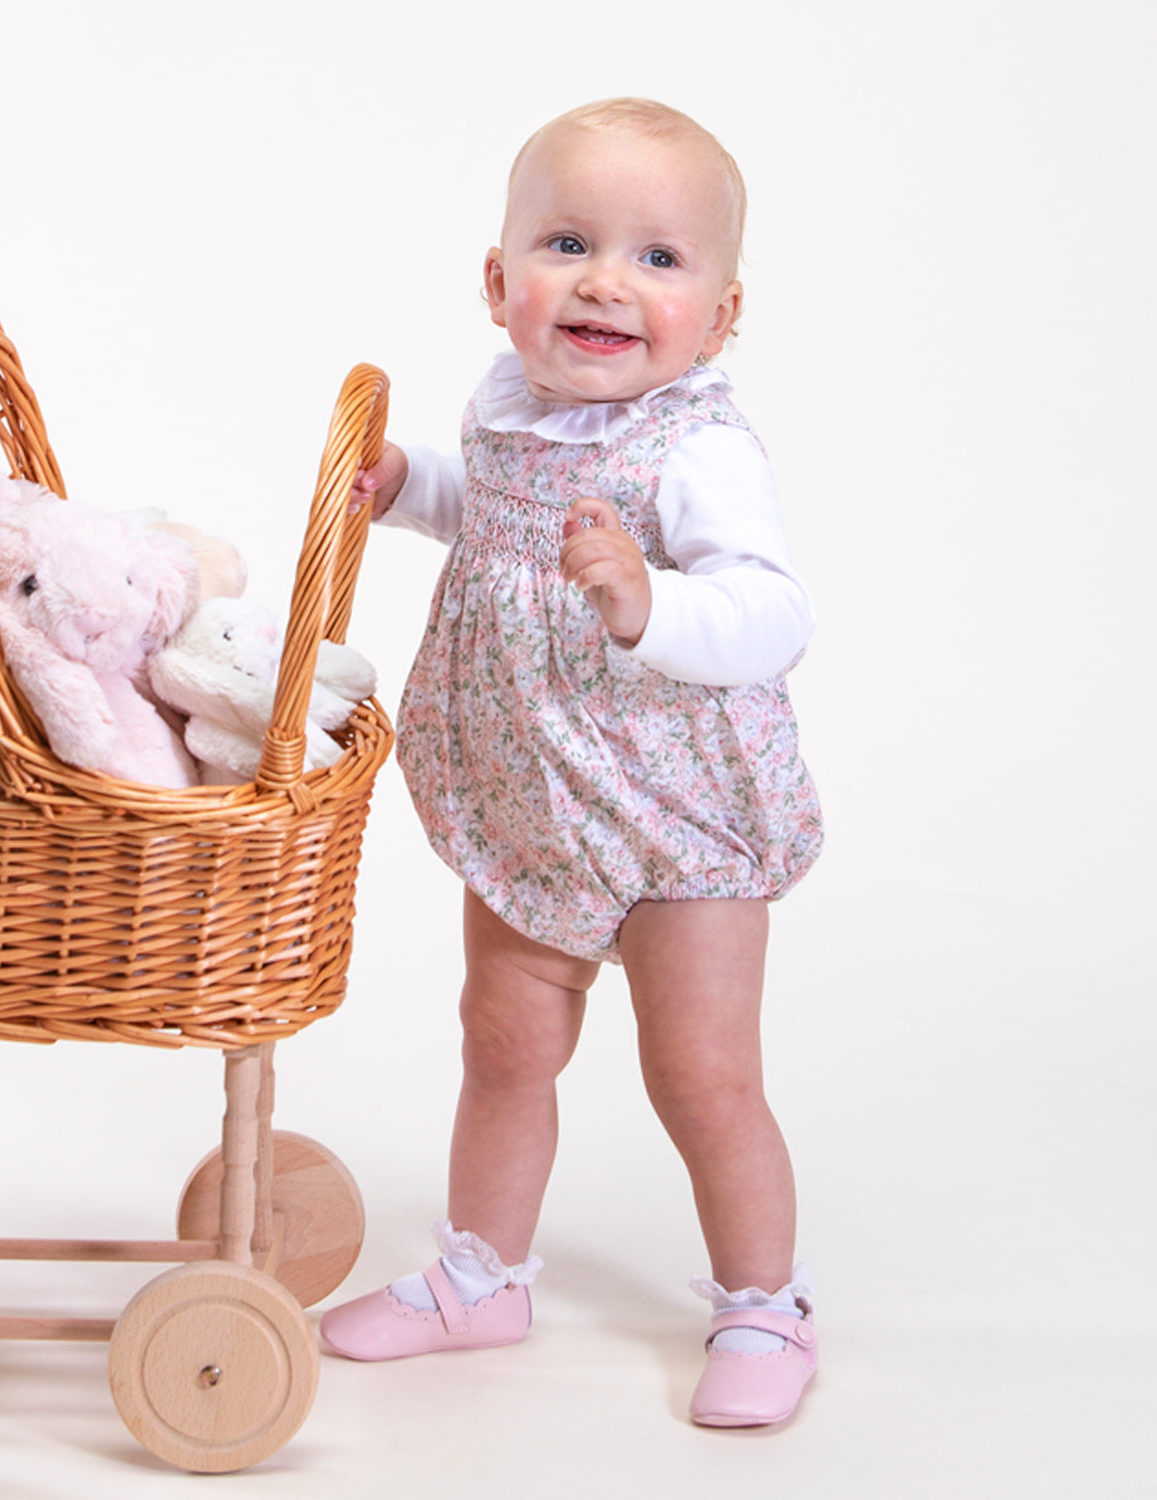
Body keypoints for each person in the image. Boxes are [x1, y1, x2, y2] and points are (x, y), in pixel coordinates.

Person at [320, 97, 824, 1428]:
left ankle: (766, 1301)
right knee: (503, 1041)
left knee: (700, 1072)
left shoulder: (696, 448)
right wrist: (404, 479)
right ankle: (481, 1275)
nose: (607, 279)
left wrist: (652, 605)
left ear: (718, 319)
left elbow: (775, 612)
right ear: (500, 284)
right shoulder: (508, 413)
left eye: (660, 259)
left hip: (679, 812)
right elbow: (482, 516)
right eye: (566, 242)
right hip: (532, 789)